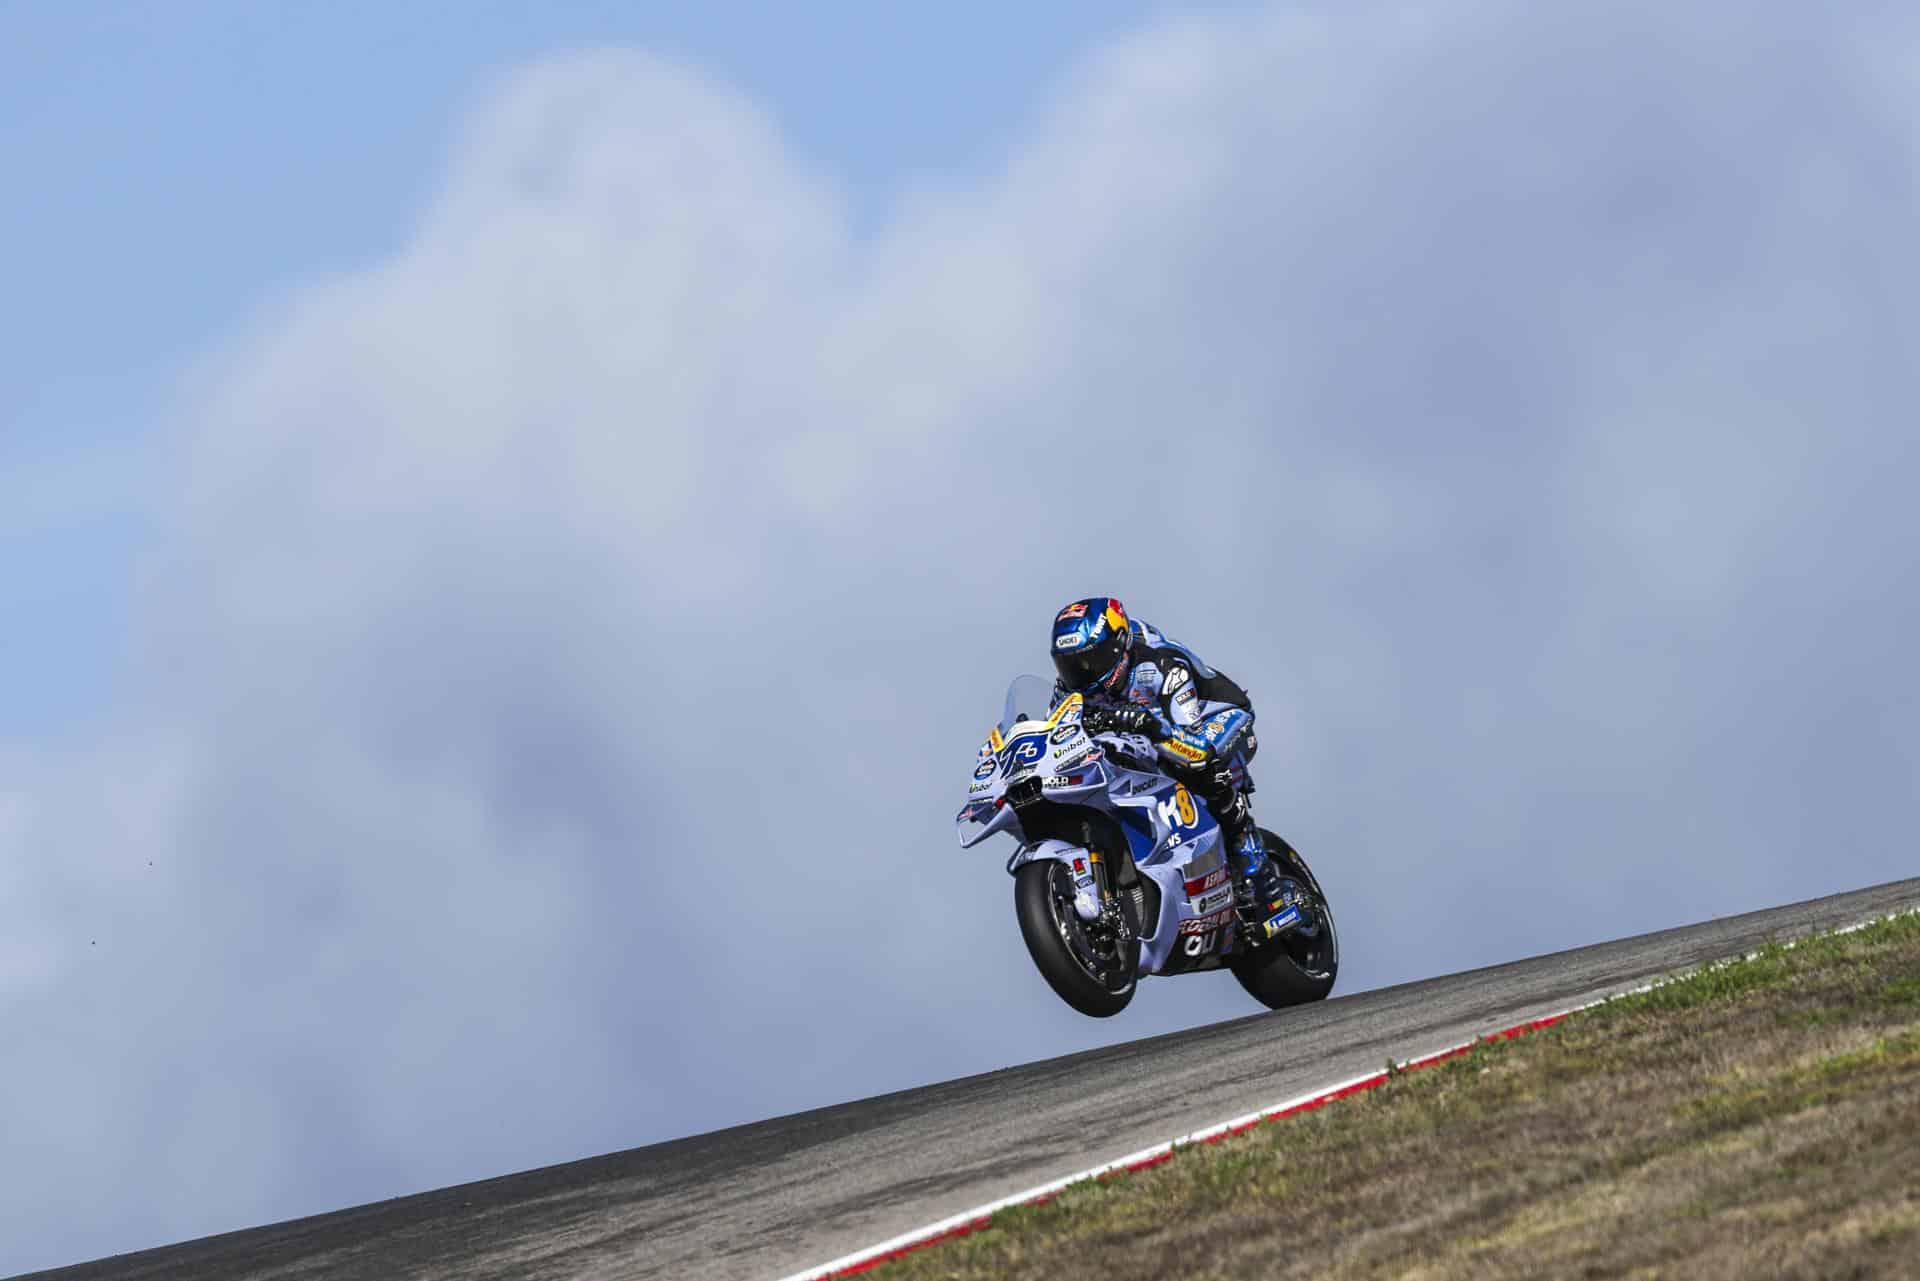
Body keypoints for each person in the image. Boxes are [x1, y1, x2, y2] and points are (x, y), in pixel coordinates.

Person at [1049, 596, 1297, 942]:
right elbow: (1058, 738)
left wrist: (1149, 725)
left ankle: (1256, 868)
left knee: (1197, 766)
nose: (1084, 673)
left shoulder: (1162, 665)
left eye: (1092, 660)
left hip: (1215, 719)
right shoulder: (1069, 690)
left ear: (1119, 645)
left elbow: (1191, 743)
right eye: (1072, 665)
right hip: (1152, 737)